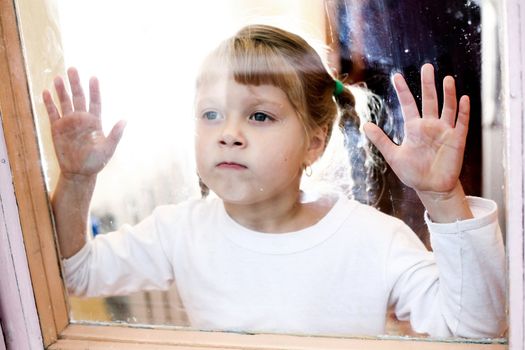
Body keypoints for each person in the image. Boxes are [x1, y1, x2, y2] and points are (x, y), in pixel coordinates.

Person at [43, 24, 506, 338]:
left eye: (259, 115)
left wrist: (443, 197)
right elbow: (75, 273)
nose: (228, 133)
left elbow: (477, 328)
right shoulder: (179, 231)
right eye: (211, 114)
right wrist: (78, 180)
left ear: (314, 142)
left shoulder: (375, 240)